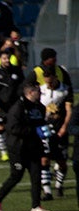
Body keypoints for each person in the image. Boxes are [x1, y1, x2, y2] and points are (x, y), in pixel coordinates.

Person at [0, 83, 52, 211]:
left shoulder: (40, 107)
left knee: (36, 176)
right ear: (30, 93)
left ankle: (36, 206)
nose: (40, 93)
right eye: (38, 91)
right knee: (16, 176)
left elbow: (41, 124)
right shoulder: (18, 108)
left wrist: (45, 130)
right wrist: (34, 130)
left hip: (34, 147)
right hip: (18, 148)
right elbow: (12, 128)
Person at [37, 71, 73, 200]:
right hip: (45, 130)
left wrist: (64, 127)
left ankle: (59, 186)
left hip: (60, 130)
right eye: (47, 82)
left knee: (61, 162)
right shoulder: (41, 90)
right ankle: (47, 192)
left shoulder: (65, 90)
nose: (49, 84)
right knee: (44, 159)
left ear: (55, 78)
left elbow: (69, 110)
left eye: (51, 82)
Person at [0, 49, 25, 161]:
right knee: (1, 127)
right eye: (4, 58)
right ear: (0, 59)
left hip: (15, 105)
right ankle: (4, 152)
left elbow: (23, 86)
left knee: (16, 128)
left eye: (8, 58)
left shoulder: (17, 71)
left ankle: (17, 150)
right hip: (0, 106)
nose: (7, 60)